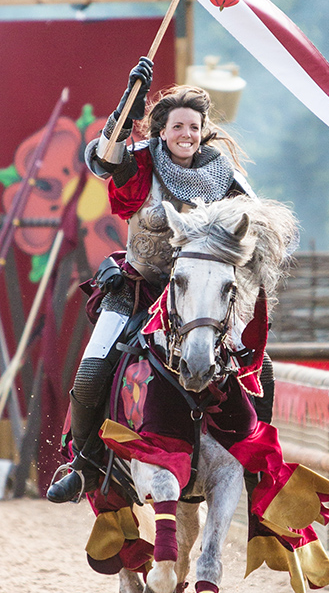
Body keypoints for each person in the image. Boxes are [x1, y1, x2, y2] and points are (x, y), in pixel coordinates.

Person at [47, 58, 263, 503]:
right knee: (91, 373)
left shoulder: (226, 177)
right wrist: (129, 102)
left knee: (261, 368)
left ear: (203, 131)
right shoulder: (141, 162)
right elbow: (106, 160)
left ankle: (257, 469)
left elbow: (257, 226)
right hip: (139, 289)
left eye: (194, 127)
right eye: (178, 126)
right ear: (161, 130)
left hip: (202, 302)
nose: (187, 134)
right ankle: (84, 463)